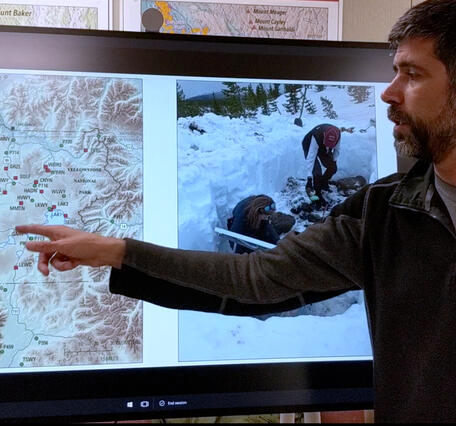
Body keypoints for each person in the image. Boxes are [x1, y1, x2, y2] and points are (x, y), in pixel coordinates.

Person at [14, 0, 456, 422]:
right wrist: (118, 252)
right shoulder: (388, 211)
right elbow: (255, 279)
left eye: (412, 75)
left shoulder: (349, 158)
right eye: (394, 72)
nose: (388, 93)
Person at [301, 123, 341, 207]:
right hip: (309, 144)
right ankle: (317, 194)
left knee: (333, 168)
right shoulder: (317, 136)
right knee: (317, 172)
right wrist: (309, 178)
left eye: (329, 145)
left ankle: (323, 183)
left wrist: (333, 163)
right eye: (326, 144)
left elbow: (336, 150)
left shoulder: (337, 134)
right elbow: (311, 158)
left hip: (323, 147)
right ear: (324, 135)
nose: (327, 146)